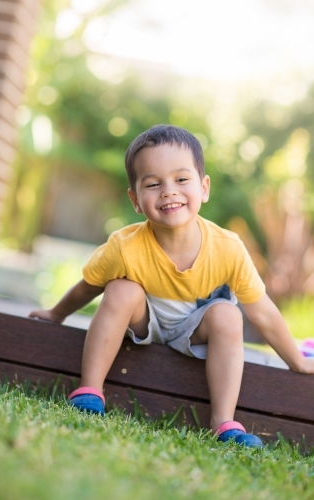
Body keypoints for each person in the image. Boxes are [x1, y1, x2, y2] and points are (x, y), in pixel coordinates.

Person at [29, 124, 314, 448]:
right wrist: (56, 314)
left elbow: (262, 312)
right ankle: (90, 392)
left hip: (195, 328)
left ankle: (222, 422)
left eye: (181, 179)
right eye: (153, 184)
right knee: (121, 289)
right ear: (135, 200)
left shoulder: (228, 248)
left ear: (204, 188)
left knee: (228, 315)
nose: (169, 191)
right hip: (143, 319)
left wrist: (297, 361)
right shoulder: (124, 246)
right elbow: (88, 286)